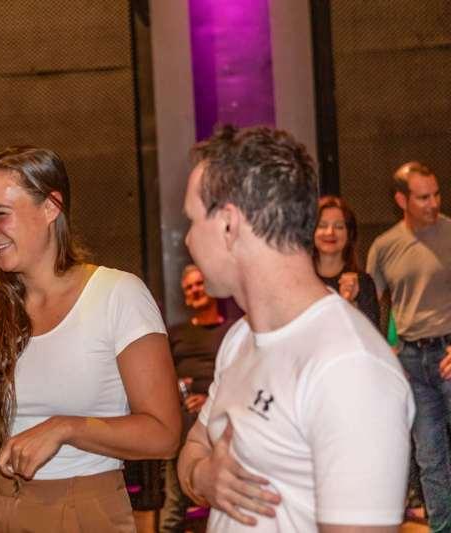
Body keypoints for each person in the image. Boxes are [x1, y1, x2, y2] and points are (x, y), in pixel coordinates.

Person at [0, 146, 181, 532]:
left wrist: (66, 427)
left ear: (50, 207)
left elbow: (164, 433)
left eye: (0, 214)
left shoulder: (117, 294)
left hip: (81, 510)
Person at [177, 125, 414, 532]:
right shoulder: (240, 338)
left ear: (229, 224)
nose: (187, 241)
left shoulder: (348, 366)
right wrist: (204, 477)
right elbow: (194, 448)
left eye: (192, 221)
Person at [367, 161, 451, 532]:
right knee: (430, 457)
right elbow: (371, 307)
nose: (433, 203)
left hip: (448, 352)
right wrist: (387, 353)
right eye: (423, 197)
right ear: (402, 200)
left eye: (436, 194)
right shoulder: (385, 246)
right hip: (411, 361)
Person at [159, 264, 232, 532]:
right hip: (184, 423)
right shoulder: (175, 333)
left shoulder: (232, 332)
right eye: (189, 287)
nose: (195, 290)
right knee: (173, 505)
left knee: (227, 501)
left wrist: (208, 397)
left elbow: (242, 377)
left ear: (212, 286)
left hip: (224, 421)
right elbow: (161, 378)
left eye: (199, 283)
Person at [313, 195, 380, 326]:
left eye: (339, 227)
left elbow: (370, 334)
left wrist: (349, 302)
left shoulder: (362, 283)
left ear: (349, 234)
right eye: (322, 226)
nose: (330, 232)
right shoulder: (300, 280)